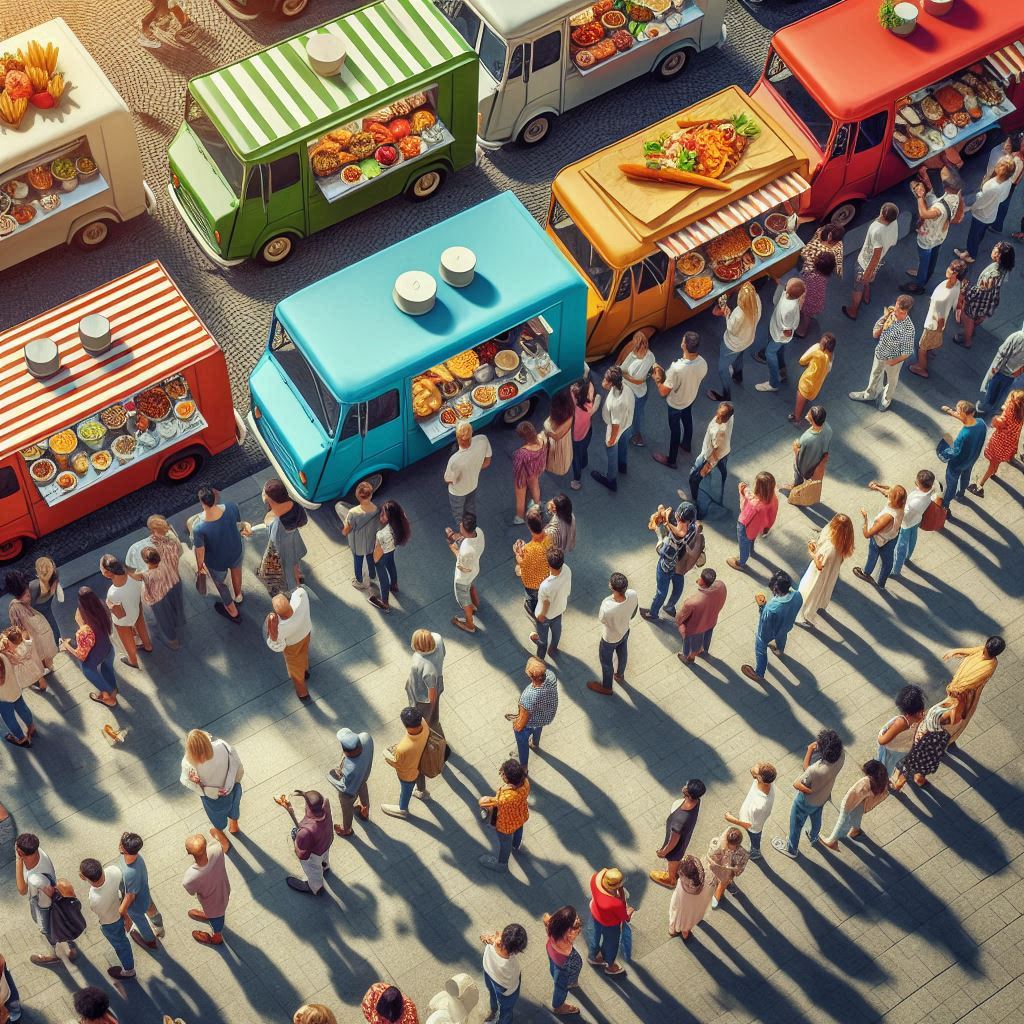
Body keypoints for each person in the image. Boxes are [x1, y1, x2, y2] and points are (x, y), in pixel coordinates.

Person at [771, 728, 845, 859]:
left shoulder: (815, 770)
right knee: (816, 817)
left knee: (796, 823)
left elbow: (801, 778)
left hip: (806, 801)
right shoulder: (841, 756)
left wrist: (810, 750)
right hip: (824, 795)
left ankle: (792, 848)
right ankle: (814, 835)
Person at [15, 832, 77, 965]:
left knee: (46, 929)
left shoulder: (34, 879)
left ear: (20, 852)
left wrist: (18, 861)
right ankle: (69, 947)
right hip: (52, 898)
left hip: (43, 906)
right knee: (60, 923)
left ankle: (56, 954)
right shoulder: (40, 852)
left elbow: (21, 889)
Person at [848, 295, 917, 412]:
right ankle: (870, 393)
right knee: (875, 374)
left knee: (892, 380)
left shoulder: (909, 329)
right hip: (880, 352)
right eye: (896, 308)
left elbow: (907, 352)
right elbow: (875, 334)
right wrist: (884, 320)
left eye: (899, 311)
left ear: (906, 311)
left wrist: (892, 362)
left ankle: (886, 399)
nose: (895, 312)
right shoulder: (890, 314)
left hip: (893, 360)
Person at [180, 729, 243, 852]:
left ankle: (221, 836)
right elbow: (237, 763)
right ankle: (234, 826)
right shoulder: (222, 745)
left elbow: (187, 781)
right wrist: (235, 782)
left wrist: (196, 781)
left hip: (213, 797)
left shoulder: (189, 762)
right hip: (232, 787)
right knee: (235, 806)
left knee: (217, 817)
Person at [902, 166, 963, 293]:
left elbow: (924, 214)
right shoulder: (955, 196)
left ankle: (919, 284)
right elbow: (957, 218)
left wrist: (920, 197)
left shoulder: (939, 207)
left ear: (945, 186)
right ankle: (924, 276)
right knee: (932, 259)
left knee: (924, 260)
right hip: (940, 235)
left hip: (928, 238)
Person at [651, 331, 706, 468]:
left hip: (676, 404)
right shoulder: (702, 363)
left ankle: (672, 460)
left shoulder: (676, 369)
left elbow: (663, 392)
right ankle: (686, 444)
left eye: (683, 340)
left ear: (684, 346)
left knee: (675, 430)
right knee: (687, 419)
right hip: (690, 398)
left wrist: (658, 380)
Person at [192, 485, 244, 624]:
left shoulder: (198, 527)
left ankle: (233, 612)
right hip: (235, 550)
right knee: (237, 572)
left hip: (216, 562)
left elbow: (200, 551)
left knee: (221, 585)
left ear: (202, 503)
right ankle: (238, 596)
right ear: (214, 498)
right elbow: (239, 525)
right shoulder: (232, 506)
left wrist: (200, 567)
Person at [59, 587, 119, 707]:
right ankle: (113, 689)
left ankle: (109, 697)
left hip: (95, 656)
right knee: (107, 669)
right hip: (108, 649)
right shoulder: (103, 607)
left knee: (87, 669)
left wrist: (66, 645)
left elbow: (81, 655)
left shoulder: (85, 632)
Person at [741, 569, 802, 683]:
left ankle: (759, 674)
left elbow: (764, 628)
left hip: (770, 632)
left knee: (760, 646)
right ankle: (779, 650)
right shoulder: (798, 595)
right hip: (786, 627)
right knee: (782, 636)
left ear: (776, 589)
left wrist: (762, 606)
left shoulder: (771, 608)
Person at [942, 636, 1005, 747]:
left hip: (964, 696)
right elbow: (969, 651)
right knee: (950, 717)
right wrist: (954, 651)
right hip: (956, 692)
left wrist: (952, 690)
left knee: (952, 718)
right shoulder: (983, 650)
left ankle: (945, 739)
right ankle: (945, 737)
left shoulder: (989, 667)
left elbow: (967, 685)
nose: (983, 651)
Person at [79, 857, 136, 980]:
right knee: (123, 941)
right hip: (123, 908)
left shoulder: (94, 899)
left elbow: (98, 912)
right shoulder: (113, 871)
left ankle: (129, 970)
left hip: (110, 922)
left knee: (121, 945)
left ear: (84, 877)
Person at [128, 527, 185, 649]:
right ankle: (178, 623)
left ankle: (173, 641)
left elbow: (131, 575)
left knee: (164, 619)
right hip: (171, 590)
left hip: (158, 600)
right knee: (175, 610)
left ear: (145, 561)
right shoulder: (166, 563)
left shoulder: (145, 575)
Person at [641, 500, 698, 621]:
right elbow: (675, 523)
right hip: (680, 564)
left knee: (661, 592)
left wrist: (661, 534)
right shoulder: (692, 528)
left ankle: (653, 613)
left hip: (667, 566)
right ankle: (670, 606)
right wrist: (663, 512)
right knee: (678, 586)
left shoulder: (675, 540)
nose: (676, 517)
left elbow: (662, 551)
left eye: (678, 517)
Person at [907, 260, 965, 378]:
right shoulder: (957, 284)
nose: (947, 269)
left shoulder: (944, 297)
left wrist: (937, 330)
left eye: (951, 268)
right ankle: (931, 348)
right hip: (937, 322)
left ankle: (921, 368)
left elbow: (940, 318)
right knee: (930, 342)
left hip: (932, 324)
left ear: (955, 274)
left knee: (921, 347)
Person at [843, 202, 899, 320]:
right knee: (868, 279)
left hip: (864, 263)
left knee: (858, 287)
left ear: (883, 215)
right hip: (878, 262)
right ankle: (867, 291)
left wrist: (866, 274)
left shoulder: (877, 230)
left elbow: (875, 256)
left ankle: (852, 310)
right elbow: (892, 243)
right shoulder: (894, 223)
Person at [798, 513, 855, 626]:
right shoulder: (843, 542)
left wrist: (811, 551)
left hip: (818, 575)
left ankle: (800, 616)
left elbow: (819, 566)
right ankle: (817, 605)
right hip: (830, 573)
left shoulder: (830, 547)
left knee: (808, 591)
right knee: (821, 592)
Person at [955, 241, 1015, 348]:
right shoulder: (1004, 268)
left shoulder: (992, 275)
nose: (992, 251)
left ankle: (967, 340)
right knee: (975, 318)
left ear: (999, 256)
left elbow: (980, 290)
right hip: (989, 300)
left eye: (994, 250)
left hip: (979, 301)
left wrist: (966, 296)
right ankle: (971, 330)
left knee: (968, 317)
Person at [587, 572, 638, 696]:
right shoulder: (632, 594)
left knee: (606, 662)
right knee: (623, 652)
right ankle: (619, 675)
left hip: (609, 639)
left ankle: (607, 687)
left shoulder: (607, 606)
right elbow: (634, 611)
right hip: (625, 631)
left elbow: (602, 619)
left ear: (612, 587)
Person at [708, 282, 761, 402]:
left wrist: (726, 312)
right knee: (739, 357)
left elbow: (731, 329)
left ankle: (726, 395)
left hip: (732, 344)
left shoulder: (739, 313)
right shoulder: (756, 299)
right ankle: (738, 375)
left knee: (722, 368)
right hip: (747, 339)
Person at [955, 157, 1015, 263]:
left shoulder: (992, 187)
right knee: (979, 234)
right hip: (991, 213)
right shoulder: (1008, 182)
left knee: (973, 236)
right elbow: (1003, 198)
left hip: (981, 215)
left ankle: (971, 255)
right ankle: (971, 249)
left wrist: (964, 208)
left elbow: (979, 203)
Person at [100, 554, 152, 669]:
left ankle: (133, 660)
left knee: (126, 638)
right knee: (140, 623)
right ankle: (147, 645)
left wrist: (108, 603)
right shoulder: (134, 576)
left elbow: (115, 609)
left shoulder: (112, 592)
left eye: (102, 571)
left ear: (108, 573)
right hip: (136, 608)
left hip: (124, 619)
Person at [823, 760, 890, 850]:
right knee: (857, 815)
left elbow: (852, 795)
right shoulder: (881, 781)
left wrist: (844, 808)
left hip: (854, 803)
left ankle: (831, 841)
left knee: (842, 820)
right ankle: (855, 830)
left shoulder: (865, 782)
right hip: (864, 803)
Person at [650, 779, 704, 889]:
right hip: (685, 837)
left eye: (686, 786)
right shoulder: (697, 801)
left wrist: (664, 852)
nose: (684, 786)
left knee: (673, 858)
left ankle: (671, 879)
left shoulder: (679, 820)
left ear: (688, 793)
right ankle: (675, 869)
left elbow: (674, 839)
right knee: (677, 856)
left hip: (675, 845)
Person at [753, 278, 805, 392]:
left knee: (770, 353)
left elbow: (788, 331)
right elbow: (784, 284)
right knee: (780, 352)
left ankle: (773, 383)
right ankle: (782, 370)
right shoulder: (791, 296)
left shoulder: (788, 308)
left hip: (778, 336)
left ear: (787, 290)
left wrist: (781, 336)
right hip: (778, 332)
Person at [478, 758, 529, 873]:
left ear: (507, 778)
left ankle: (502, 865)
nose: (501, 773)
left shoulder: (506, 798)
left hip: (506, 824)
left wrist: (484, 799)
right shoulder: (525, 782)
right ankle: (517, 846)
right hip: (521, 815)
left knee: (505, 843)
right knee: (519, 829)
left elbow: (483, 802)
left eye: (503, 772)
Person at [969, 390, 1024, 497]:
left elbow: (995, 424)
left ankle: (981, 484)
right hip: (1008, 445)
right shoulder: (1021, 416)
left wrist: (995, 419)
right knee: (996, 462)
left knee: (992, 464)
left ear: (1017, 402)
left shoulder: (1008, 412)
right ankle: (994, 472)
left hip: (999, 443)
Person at [853, 483, 907, 590]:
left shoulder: (887, 517)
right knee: (888, 562)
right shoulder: (901, 504)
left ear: (891, 499)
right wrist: (877, 487)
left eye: (890, 494)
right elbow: (888, 491)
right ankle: (881, 583)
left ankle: (866, 573)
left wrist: (865, 518)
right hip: (892, 537)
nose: (888, 492)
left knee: (873, 555)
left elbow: (867, 534)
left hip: (879, 539)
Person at [892, 702, 957, 790]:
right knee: (914, 768)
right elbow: (935, 752)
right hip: (925, 752)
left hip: (918, 746)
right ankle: (905, 781)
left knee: (909, 763)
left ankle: (901, 777)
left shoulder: (931, 717)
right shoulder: (939, 735)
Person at [279, 790, 333, 895]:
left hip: (314, 854)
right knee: (324, 858)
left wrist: (296, 839)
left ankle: (315, 887)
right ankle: (325, 866)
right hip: (326, 842)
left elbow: (302, 854)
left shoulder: (305, 832)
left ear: (307, 807)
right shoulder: (326, 804)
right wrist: (291, 812)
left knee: (313, 869)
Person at [258, 479, 308, 593]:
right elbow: (303, 521)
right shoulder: (294, 505)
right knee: (294, 562)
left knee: (287, 568)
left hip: (282, 547)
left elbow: (275, 543)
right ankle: (299, 576)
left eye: (265, 493)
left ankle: (294, 588)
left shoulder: (275, 521)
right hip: (294, 539)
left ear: (271, 499)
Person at [507, 657, 558, 768]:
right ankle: (535, 743)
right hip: (545, 715)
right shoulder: (551, 677)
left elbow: (521, 724)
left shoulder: (528, 697)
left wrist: (516, 725)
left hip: (531, 721)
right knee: (538, 727)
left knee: (522, 741)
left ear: (531, 676)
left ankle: (524, 766)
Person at [939, 400, 988, 515]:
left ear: (963, 414)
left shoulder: (964, 435)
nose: (956, 411)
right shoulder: (981, 423)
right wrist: (950, 412)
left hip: (957, 465)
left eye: (957, 410)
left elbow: (954, 451)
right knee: (966, 476)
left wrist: (943, 451)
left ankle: (945, 505)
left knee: (951, 485)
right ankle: (960, 494)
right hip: (971, 459)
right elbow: (965, 419)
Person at [381, 707, 430, 820]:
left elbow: (398, 764)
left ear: (405, 724)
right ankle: (422, 792)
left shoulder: (403, 748)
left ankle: (402, 809)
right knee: (419, 777)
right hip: (420, 763)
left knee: (406, 790)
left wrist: (387, 757)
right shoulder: (424, 723)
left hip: (409, 774)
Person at [117, 832, 163, 949]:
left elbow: (130, 896)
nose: (119, 844)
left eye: (121, 844)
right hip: (144, 892)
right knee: (150, 907)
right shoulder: (136, 856)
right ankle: (159, 925)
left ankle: (150, 941)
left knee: (141, 922)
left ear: (124, 849)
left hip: (135, 905)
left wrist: (121, 912)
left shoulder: (130, 873)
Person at [182, 833, 230, 946]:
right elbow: (223, 843)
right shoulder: (217, 849)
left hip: (212, 904)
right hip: (224, 890)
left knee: (217, 920)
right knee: (217, 912)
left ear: (189, 852)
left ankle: (217, 938)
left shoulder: (190, 876)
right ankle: (209, 916)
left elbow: (191, 891)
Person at [591, 365, 634, 491]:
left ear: (611, 383)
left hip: (616, 428)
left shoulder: (616, 403)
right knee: (623, 445)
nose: (603, 381)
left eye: (605, 379)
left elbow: (615, 425)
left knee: (611, 452)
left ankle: (611, 480)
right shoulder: (624, 386)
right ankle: (622, 466)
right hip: (627, 423)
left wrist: (611, 440)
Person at [265, 588, 313, 700]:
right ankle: (305, 670)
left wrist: (272, 624)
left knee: (295, 670)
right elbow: (299, 589)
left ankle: (302, 693)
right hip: (306, 632)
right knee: (304, 652)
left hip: (292, 645)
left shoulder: (280, 626)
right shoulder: (301, 597)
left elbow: (276, 645)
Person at [6, 568, 58, 671]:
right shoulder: (27, 590)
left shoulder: (14, 607)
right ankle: (48, 664)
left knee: (35, 647)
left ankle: (43, 666)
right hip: (34, 622)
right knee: (43, 643)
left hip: (27, 628)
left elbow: (18, 626)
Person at [586, 867, 634, 978]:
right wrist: (628, 909)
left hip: (595, 912)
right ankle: (609, 966)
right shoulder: (614, 903)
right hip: (610, 924)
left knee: (594, 936)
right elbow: (625, 917)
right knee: (611, 944)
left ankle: (593, 957)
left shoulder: (594, 879)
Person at [724, 762, 776, 860]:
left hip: (754, 827)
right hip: (752, 816)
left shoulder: (760, 804)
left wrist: (731, 819)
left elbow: (748, 825)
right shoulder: (769, 780)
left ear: (760, 778)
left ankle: (756, 852)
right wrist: (758, 772)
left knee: (755, 838)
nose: (755, 772)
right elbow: (753, 769)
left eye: (758, 774)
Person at [728, 472, 778, 572]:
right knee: (751, 539)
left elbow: (745, 507)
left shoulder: (754, 503)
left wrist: (743, 488)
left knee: (743, 545)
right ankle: (751, 549)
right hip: (758, 527)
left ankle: (741, 562)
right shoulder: (773, 498)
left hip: (745, 527)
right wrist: (766, 528)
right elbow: (772, 516)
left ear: (759, 487)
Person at [892, 469, 938, 577]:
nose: (915, 482)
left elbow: (904, 515)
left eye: (917, 481)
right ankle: (908, 556)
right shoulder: (932, 488)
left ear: (921, 485)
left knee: (900, 547)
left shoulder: (915, 503)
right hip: (917, 520)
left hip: (907, 524)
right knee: (913, 539)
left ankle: (895, 569)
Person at [444, 422, 492, 525]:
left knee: (458, 513)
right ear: (472, 432)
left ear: (457, 437)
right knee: (470, 506)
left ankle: (463, 532)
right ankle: (471, 526)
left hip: (458, 492)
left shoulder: (455, 460)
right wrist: (474, 468)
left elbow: (448, 480)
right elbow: (487, 462)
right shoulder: (482, 439)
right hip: (473, 485)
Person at [329, 727, 373, 837]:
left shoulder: (349, 769)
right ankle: (364, 810)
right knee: (362, 786)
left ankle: (347, 829)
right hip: (364, 777)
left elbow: (343, 786)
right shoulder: (366, 737)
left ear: (345, 751)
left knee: (347, 807)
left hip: (350, 792)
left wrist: (333, 775)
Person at [675, 567, 726, 663]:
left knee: (691, 641)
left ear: (702, 581)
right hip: (712, 620)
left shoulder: (692, 603)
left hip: (697, 627)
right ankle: (704, 649)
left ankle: (688, 657)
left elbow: (679, 618)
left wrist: (679, 623)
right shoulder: (721, 585)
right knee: (707, 634)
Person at [687, 402, 733, 508]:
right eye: (719, 411)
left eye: (722, 414)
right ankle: (722, 481)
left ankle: (695, 499)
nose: (718, 415)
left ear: (726, 417)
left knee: (693, 479)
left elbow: (717, 453)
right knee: (722, 470)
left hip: (708, 455)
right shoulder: (730, 417)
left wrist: (705, 469)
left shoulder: (718, 431)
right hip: (724, 453)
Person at [876, 684, 927, 778]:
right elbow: (882, 741)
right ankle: (889, 776)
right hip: (899, 748)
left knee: (890, 764)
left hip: (896, 749)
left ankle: (884, 779)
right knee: (892, 763)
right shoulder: (916, 718)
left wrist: (881, 734)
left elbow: (883, 741)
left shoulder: (904, 721)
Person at [480, 923, 527, 1024]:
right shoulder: (510, 964)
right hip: (505, 989)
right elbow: (515, 977)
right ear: (516, 951)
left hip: (489, 973)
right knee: (506, 1009)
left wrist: (493, 938)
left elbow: (493, 941)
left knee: (492, 993)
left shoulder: (492, 944)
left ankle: (493, 1010)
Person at [616, 329, 656, 447]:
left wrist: (622, 374)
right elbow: (622, 367)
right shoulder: (632, 352)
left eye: (640, 346)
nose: (639, 349)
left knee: (636, 416)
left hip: (637, 393)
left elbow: (638, 380)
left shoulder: (649, 358)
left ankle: (636, 435)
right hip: (627, 389)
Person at [369, 500, 411, 612]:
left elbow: (377, 553)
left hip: (382, 554)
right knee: (391, 565)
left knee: (383, 578)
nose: (381, 515)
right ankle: (394, 585)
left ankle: (385, 603)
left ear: (389, 517)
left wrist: (375, 561)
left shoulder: (381, 534)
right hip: (391, 549)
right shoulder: (401, 522)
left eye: (383, 514)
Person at [447, 512, 484, 634]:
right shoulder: (479, 532)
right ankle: (475, 604)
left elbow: (462, 565)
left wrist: (453, 548)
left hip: (462, 578)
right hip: (475, 569)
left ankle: (469, 624)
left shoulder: (466, 550)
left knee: (464, 601)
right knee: (470, 586)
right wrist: (457, 538)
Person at [543, 907, 583, 1016]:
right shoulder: (570, 934)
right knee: (561, 985)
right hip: (564, 960)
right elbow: (577, 930)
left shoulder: (550, 923)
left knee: (554, 969)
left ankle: (564, 980)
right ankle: (558, 1006)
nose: (577, 918)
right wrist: (577, 925)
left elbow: (546, 917)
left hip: (552, 951)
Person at [977, 323, 1024, 415]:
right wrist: (1019, 372)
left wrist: (996, 368)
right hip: (1013, 375)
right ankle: (993, 410)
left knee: (991, 390)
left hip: (1001, 370)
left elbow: (1003, 352)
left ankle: (984, 408)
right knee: (1002, 393)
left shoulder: (1016, 336)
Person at [532, 547, 571, 661]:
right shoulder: (567, 570)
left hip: (546, 616)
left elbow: (546, 603)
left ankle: (540, 659)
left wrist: (541, 615)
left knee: (542, 640)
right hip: (559, 609)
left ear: (548, 564)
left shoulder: (546, 585)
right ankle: (553, 649)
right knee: (557, 632)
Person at [789, 334, 836, 425]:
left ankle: (796, 418)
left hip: (806, 383)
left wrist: (815, 350)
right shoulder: (831, 356)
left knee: (799, 402)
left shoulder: (818, 353)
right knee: (805, 398)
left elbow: (802, 361)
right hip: (816, 386)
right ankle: (801, 410)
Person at [340, 481, 379, 591]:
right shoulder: (376, 509)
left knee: (358, 561)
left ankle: (359, 581)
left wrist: (344, 529)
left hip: (358, 543)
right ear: (371, 495)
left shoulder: (353, 512)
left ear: (357, 496)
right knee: (370, 558)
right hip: (371, 541)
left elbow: (346, 530)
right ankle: (372, 576)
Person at [512, 510, 550, 622]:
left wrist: (518, 552)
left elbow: (522, 562)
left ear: (529, 527)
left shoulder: (528, 549)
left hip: (532, 582)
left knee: (532, 597)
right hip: (546, 576)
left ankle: (532, 608)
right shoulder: (549, 537)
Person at [406, 630, 446, 735]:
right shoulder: (437, 637)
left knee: (426, 718)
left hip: (423, 697)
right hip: (436, 681)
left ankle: (428, 732)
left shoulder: (424, 665)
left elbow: (431, 693)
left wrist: (430, 710)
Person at [784, 405, 832, 492]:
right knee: (808, 475)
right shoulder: (829, 430)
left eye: (808, 414)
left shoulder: (807, 438)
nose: (807, 414)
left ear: (812, 422)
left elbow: (799, 451)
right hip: (816, 462)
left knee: (798, 475)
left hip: (803, 466)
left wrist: (795, 449)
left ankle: (796, 487)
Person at [667, 854, 713, 941]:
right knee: (689, 917)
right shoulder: (700, 885)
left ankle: (673, 930)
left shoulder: (682, 884)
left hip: (682, 901)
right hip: (693, 906)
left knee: (677, 913)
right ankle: (685, 931)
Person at [0, 642, 37, 747]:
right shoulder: (4, 655)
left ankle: (21, 738)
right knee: (22, 708)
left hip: (3, 698)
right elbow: (16, 661)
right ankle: (31, 727)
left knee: (9, 718)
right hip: (15, 689)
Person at [511, 421, 547, 521]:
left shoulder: (521, 453)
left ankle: (520, 517)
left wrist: (519, 481)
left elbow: (518, 469)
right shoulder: (541, 440)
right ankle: (537, 506)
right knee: (535, 487)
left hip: (523, 476)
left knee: (520, 498)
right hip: (535, 471)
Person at [796, 250, 837, 339]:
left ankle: (803, 331)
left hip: (809, 302)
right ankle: (807, 318)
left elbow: (802, 279)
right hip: (817, 301)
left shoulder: (811, 277)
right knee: (808, 314)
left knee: (807, 315)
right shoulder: (824, 277)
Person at [707, 827, 748, 909]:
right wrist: (715, 862)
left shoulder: (741, 853)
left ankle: (722, 892)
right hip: (717, 868)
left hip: (727, 872)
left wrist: (731, 868)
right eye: (728, 844)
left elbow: (738, 868)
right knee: (720, 883)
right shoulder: (719, 844)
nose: (729, 847)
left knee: (724, 883)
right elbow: (708, 855)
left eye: (731, 845)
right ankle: (720, 893)